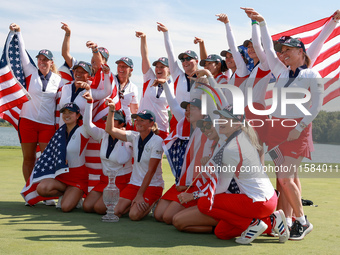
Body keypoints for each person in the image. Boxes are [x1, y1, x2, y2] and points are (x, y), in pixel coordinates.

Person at [249, 9, 325, 240]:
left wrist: (299, 128)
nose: (283, 55)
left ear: (300, 52)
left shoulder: (312, 74)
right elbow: (268, 51)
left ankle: (302, 221)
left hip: (297, 132)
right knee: (283, 180)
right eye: (283, 52)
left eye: (288, 51)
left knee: (285, 179)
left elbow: (315, 107)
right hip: (277, 131)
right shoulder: (281, 72)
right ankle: (288, 221)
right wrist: (261, 23)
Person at [9, 24, 64, 193]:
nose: (42, 62)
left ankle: (44, 192)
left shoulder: (58, 79)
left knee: (45, 159)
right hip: (27, 121)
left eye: (45, 59)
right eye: (40, 59)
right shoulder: (30, 71)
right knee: (29, 158)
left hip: (47, 124)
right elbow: (22, 53)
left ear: (51, 62)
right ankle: (30, 190)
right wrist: (18, 33)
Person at [105, 102, 164, 221]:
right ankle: (134, 204)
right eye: (137, 120)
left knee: (134, 215)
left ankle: (154, 200)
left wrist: (140, 195)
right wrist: (112, 110)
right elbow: (110, 129)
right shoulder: (134, 136)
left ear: (151, 124)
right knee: (115, 211)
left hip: (153, 185)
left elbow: (151, 171)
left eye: (142, 120)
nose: (138, 122)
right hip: (134, 184)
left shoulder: (157, 141)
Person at [82, 90, 133, 214]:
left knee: (99, 208)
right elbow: (87, 125)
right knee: (87, 206)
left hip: (122, 181)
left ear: (122, 123)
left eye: (112, 119)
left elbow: (123, 159)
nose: (107, 122)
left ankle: (130, 201)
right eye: (107, 119)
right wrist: (89, 103)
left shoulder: (131, 137)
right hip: (105, 179)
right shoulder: (103, 135)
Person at [35, 102, 90, 212]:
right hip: (62, 176)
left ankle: (75, 195)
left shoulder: (83, 130)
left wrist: (89, 103)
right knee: (41, 188)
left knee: (65, 208)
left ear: (78, 115)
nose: (66, 115)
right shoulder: (60, 132)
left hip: (77, 177)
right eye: (64, 113)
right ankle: (67, 193)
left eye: (70, 112)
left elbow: (88, 122)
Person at [157, 22, 200, 130]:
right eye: (183, 59)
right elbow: (170, 53)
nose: (185, 61)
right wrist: (166, 33)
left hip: (198, 122)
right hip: (178, 120)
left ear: (197, 61)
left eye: (188, 59)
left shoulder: (204, 78)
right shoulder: (178, 75)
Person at [135, 31, 173, 139]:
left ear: (169, 69)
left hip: (161, 128)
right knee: (138, 155)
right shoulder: (149, 78)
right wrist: (143, 38)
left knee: (156, 156)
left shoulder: (173, 87)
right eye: (157, 66)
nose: (158, 69)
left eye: (162, 67)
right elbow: (144, 56)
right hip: (141, 126)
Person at [58, 61, 111, 126]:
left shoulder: (90, 91)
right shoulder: (65, 88)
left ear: (89, 76)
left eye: (82, 72)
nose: (78, 73)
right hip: (62, 130)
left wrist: (106, 74)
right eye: (77, 71)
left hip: (80, 130)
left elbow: (106, 92)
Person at [216, 14, 250, 105]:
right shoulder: (232, 76)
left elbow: (233, 46)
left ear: (241, 58)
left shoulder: (242, 70)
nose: (228, 59)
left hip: (243, 117)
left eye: (231, 56)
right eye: (226, 57)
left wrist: (227, 23)